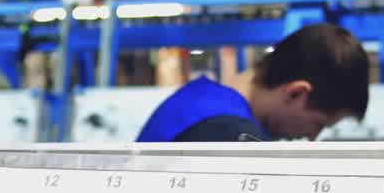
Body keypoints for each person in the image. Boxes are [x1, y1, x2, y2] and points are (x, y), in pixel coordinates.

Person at [135, 22, 370, 142]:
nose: (312, 137)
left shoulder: (202, 100)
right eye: (319, 123)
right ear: (296, 93)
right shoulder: (230, 133)